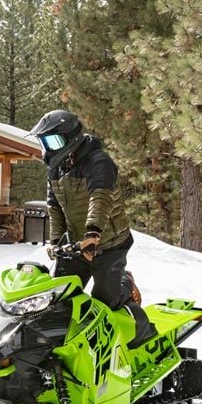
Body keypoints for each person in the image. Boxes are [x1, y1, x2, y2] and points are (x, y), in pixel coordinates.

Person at [28, 109, 154, 347]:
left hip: (109, 243)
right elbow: (54, 206)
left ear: (70, 138)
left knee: (104, 302)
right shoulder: (56, 168)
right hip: (77, 244)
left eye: (52, 141)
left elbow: (101, 198)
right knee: (60, 299)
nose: (48, 148)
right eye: (44, 142)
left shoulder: (99, 162)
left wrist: (93, 233)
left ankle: (126, 284)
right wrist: (56, 242)